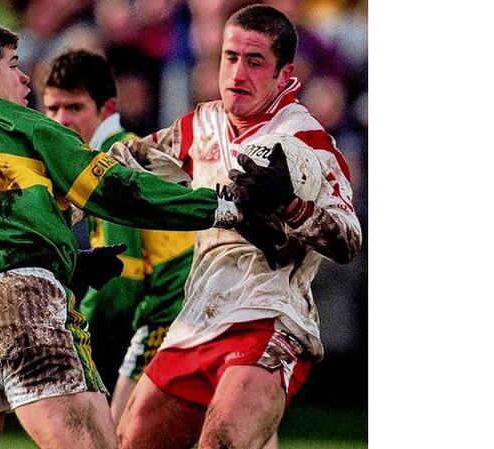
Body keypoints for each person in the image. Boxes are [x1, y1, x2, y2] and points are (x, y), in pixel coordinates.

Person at [0, 19, 270, 449]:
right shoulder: (20, 123)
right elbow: (113, 190)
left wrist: (68, 263)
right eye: (13, 64)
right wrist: (224, 207)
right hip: (18, 302)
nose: (24, 77)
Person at [109, 5, 363, 449]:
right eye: (230, 57)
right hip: (197, 320)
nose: (237, 73)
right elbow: (127, 162)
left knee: (223, 442)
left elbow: (348, 238)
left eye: (254, 61)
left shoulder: (307, 142)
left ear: (285, 75)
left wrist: (291, 206)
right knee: (130, 442)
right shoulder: (201, 125)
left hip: (269, 316)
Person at [42, 49, 194, 422]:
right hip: (197, 297)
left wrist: (71, 331)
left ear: (107, 108)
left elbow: (121, 278)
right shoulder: (125, 148)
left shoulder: (109, 163)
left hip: (171, 305)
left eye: (74, 108)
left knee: (119, 430)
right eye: (52, 108)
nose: (61, 120)